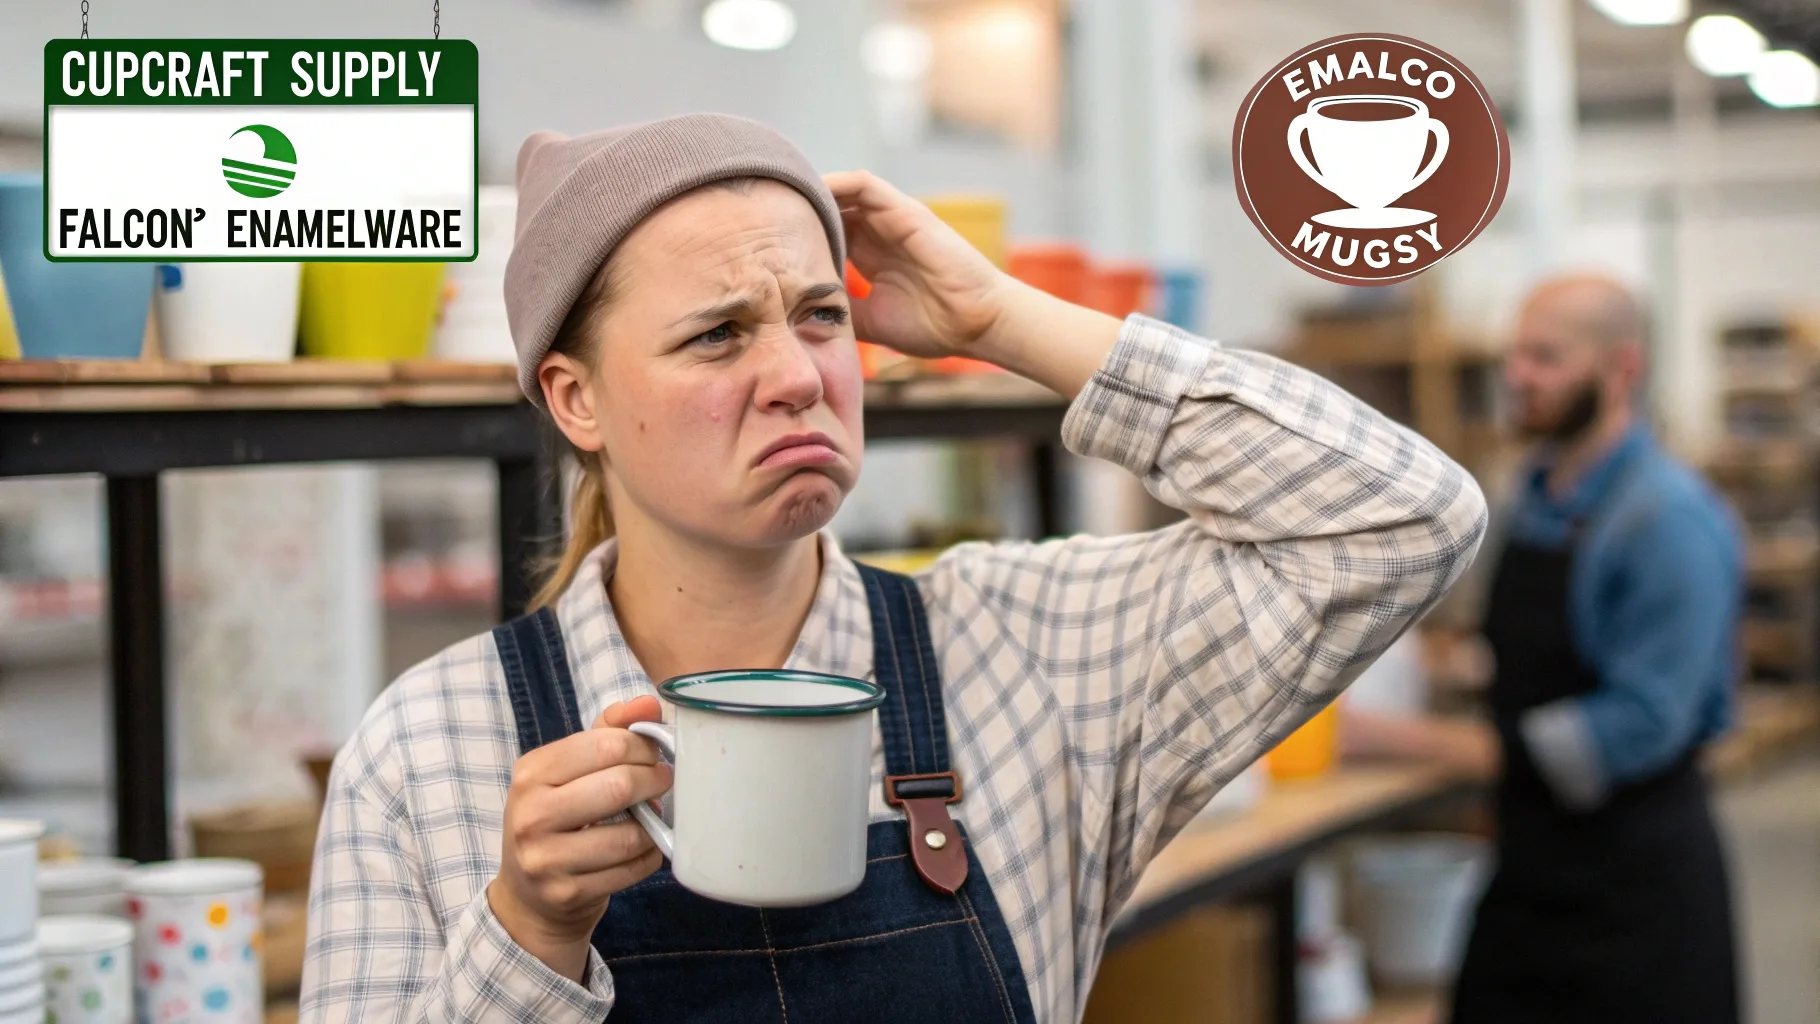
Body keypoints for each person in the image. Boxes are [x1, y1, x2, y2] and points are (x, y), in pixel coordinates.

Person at [300, 113, 1485, 1023]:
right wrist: (530, 933)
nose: (799, 373)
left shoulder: (1028, 656)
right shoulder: (431, 751)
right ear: (576, 397)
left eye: (820, 316)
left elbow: (1400, 520)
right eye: (718, 332)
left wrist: (1000, 320)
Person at [1345, 274, 1743, 1024]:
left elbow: (1636, 725)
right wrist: (1440, 663)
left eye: (1545, 357)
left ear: (1621, 367)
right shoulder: (1538, 491)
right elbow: (1531, 650)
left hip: (1636, 887)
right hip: (1532, 866)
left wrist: (1391, 740)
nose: (1517, 376)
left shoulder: (1669, 520)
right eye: (1515, 354)